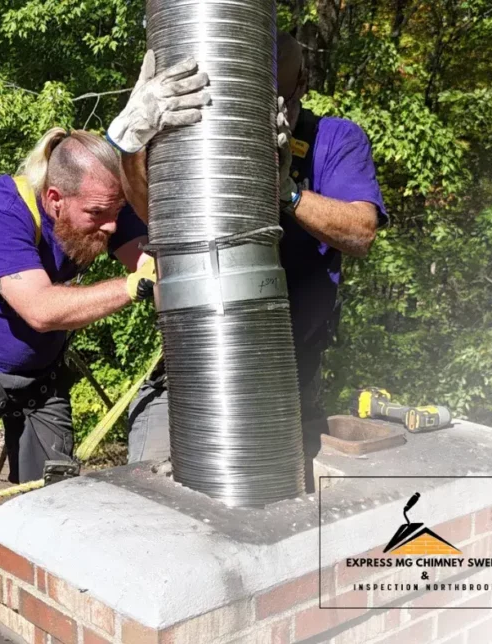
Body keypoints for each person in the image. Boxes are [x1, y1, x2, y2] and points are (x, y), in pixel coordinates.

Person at [0, 54, 209, 644]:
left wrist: (140, 166)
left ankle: (37, 609)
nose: (105, 230)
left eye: (111, 216)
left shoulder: (101, 208)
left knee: (58, 492)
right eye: (96, 217)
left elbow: (150, 259)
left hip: (38, 372)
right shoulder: (0, 210)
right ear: (54, 202)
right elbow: (42, 309)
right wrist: (130, 286)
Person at [121, 32, 388, 490]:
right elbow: (154, 215)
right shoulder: (201, 133)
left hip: (290, 375)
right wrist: (129, 149)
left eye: (272, 91)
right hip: (196, 364)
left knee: (281, 502)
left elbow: (360, 232)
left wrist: (285, 190)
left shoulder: (334, 140)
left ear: (301, 82)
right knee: (157, 501)